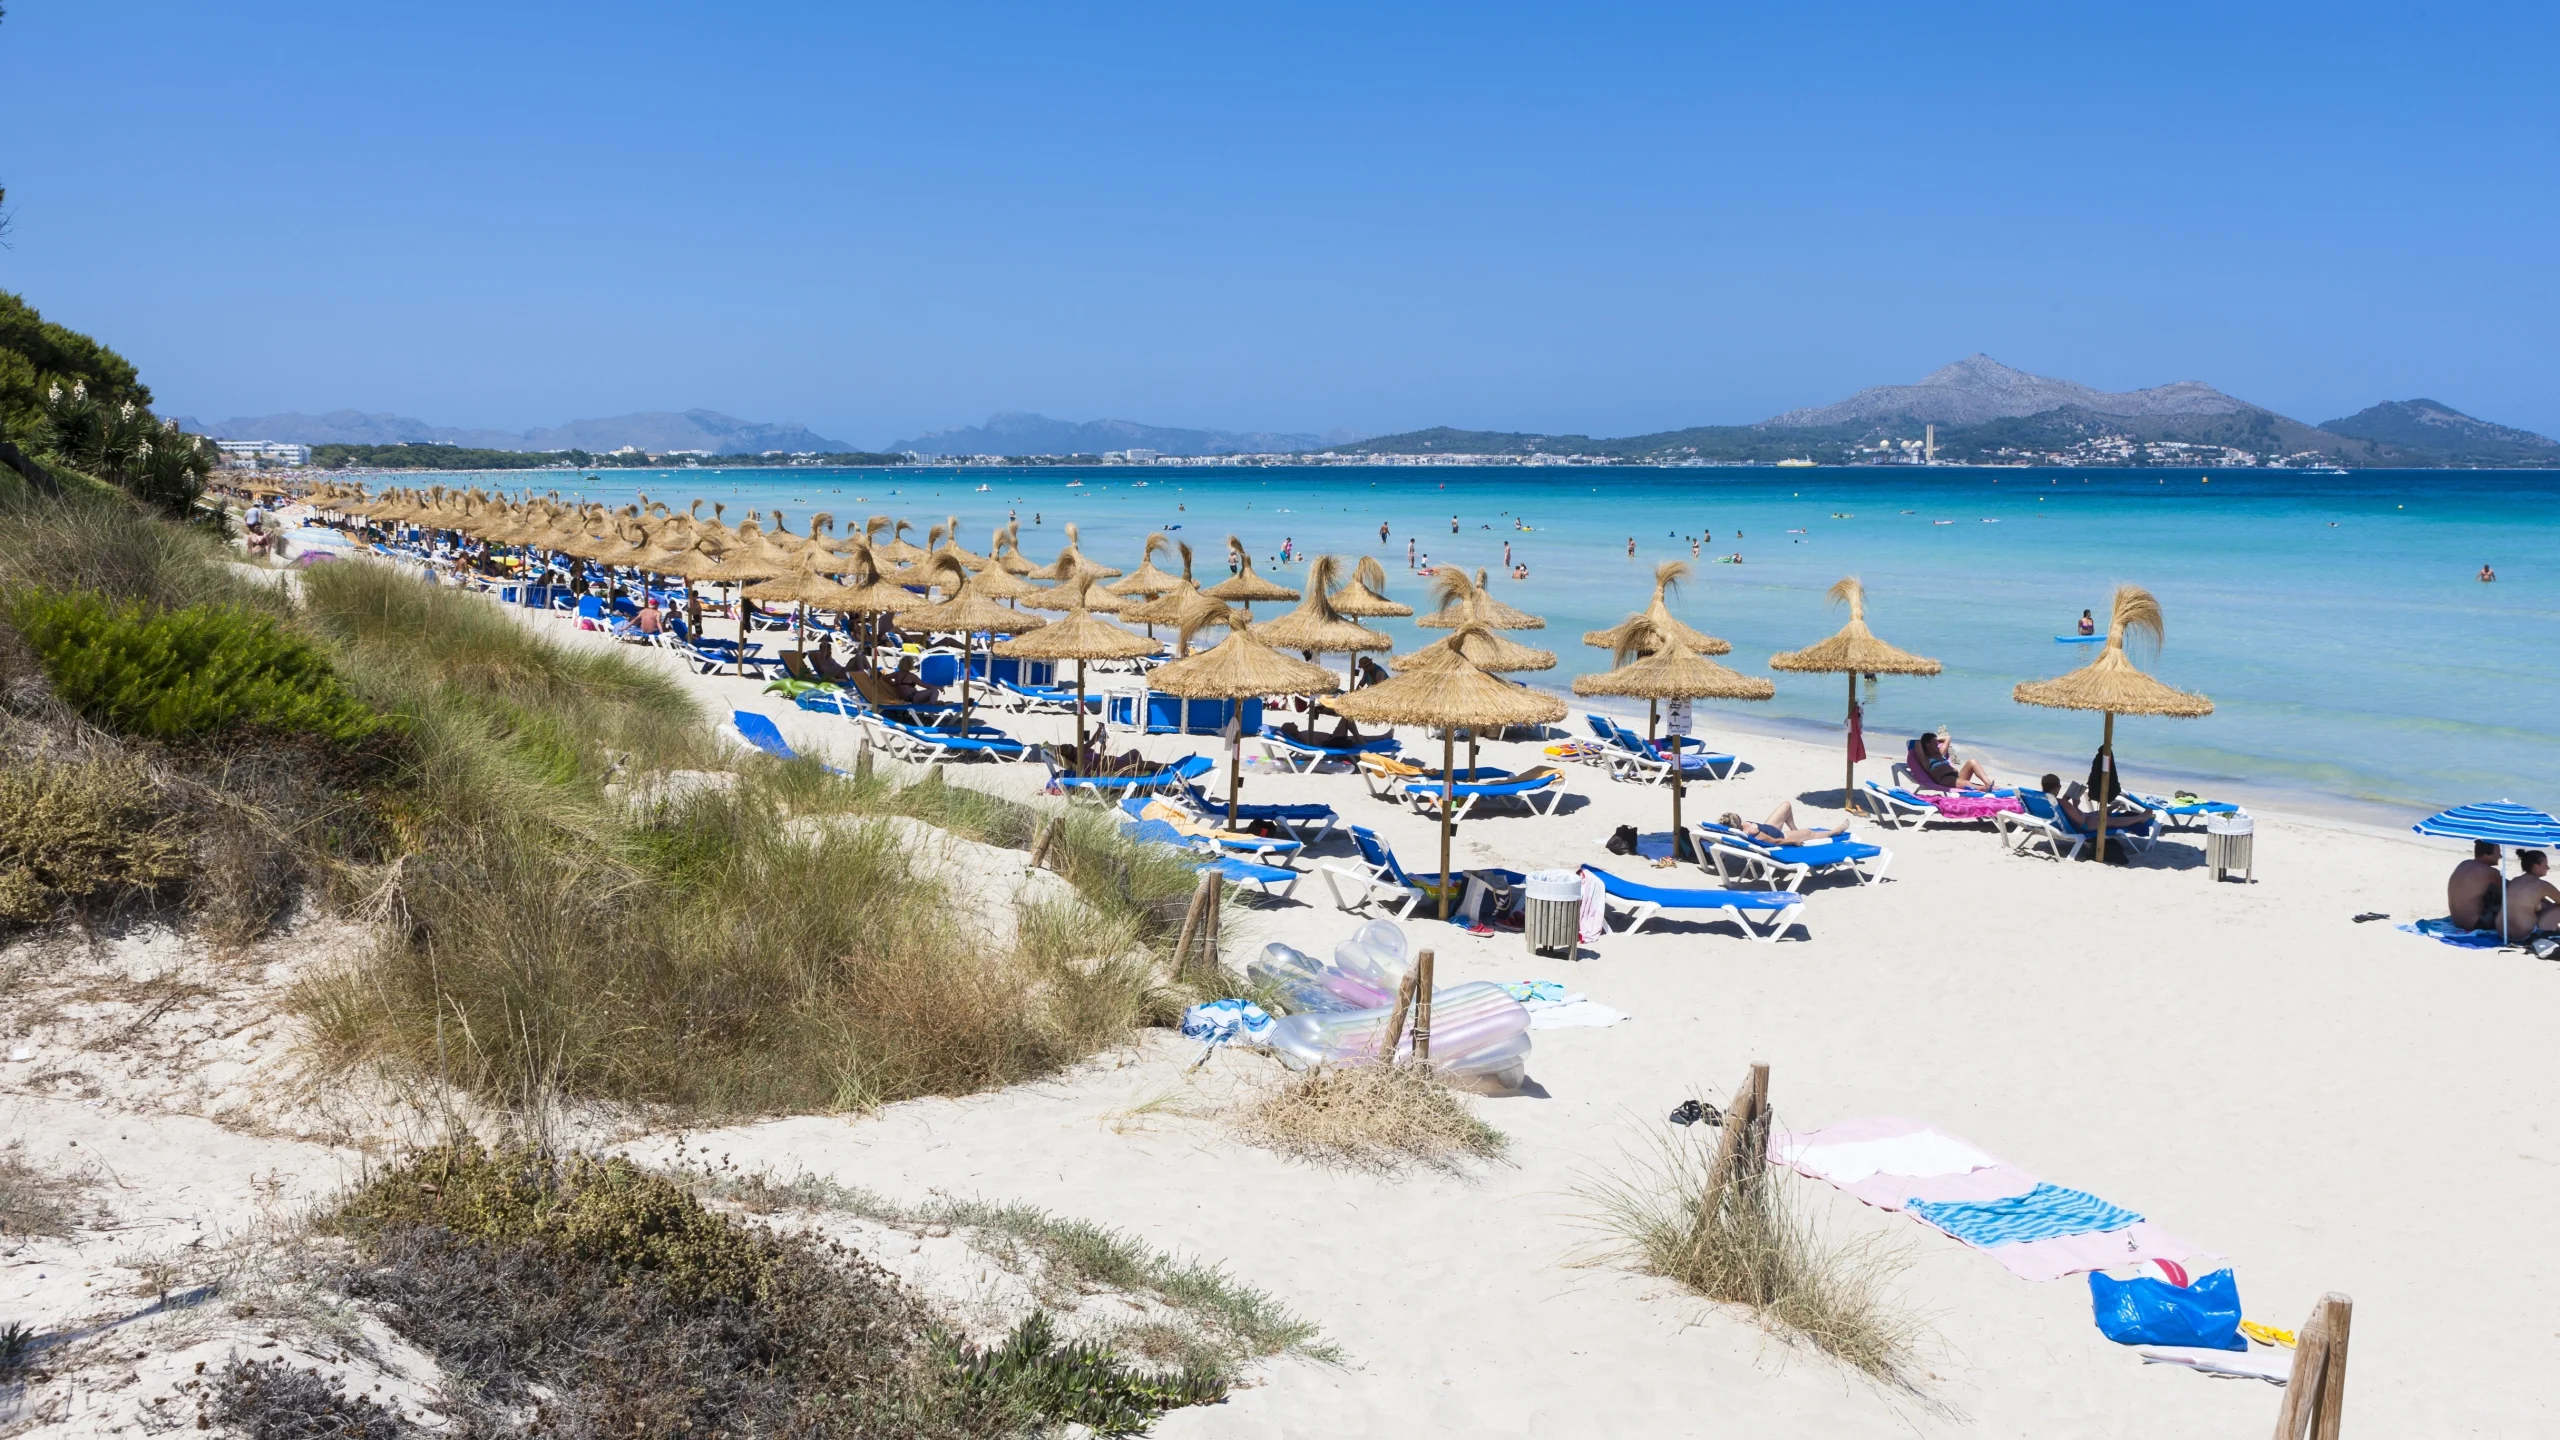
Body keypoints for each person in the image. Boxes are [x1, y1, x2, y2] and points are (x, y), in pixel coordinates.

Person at [2041, 773, 2154, 837]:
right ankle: (2140, 817)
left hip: (2058, 824)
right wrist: (2075, 805)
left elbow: (2062, 809)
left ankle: (2110, 808)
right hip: (2079, 827)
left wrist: (2067, 799)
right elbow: (2080, 820)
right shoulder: (2063, 803)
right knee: (2108, 820)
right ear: (2056, 787)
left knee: (2092, 815)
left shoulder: (2041, 799)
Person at [1717, 802, 1847, 847]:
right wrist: (1792, 841)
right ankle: (1834, 832)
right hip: (1780, 835)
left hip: (1768, 827)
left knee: (1786, 805)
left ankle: (1795, 829)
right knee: (1809, 833)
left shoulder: (1730, 829)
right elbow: (1775, 842)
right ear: (1738, 820)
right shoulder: (1751, 831)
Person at [2448, 839, 2503, 931]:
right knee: (2514, 905)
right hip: (2475, 924)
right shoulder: (2490, 872)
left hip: (2456, 921)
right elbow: (2512, 888)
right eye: (2498, 852)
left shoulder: (2464, 864)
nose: (2500, 856)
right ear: (2487, 854)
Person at [2504, 851, 2560, 942]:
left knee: (2541, 904)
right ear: (2535, 867)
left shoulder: (2515, 880)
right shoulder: (2542, 885)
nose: (2548, 868)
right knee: (2557, 907)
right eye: (2545, 865)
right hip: (2524, 934)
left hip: (2503, 931)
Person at [1910, 731, 1995, 790]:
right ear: (1927, 744)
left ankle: (1988, 784)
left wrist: (1935, 739)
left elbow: (1948, 737)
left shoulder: (1940, 754)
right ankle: (1983, 789)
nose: (1937, 744)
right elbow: (1917, 743)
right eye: (1934, 743)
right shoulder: (1926, 760)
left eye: (1937, 742)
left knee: (1972, 762)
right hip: (1944, 779)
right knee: (1967, 784)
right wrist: (1927, 740)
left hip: (1956, 777)